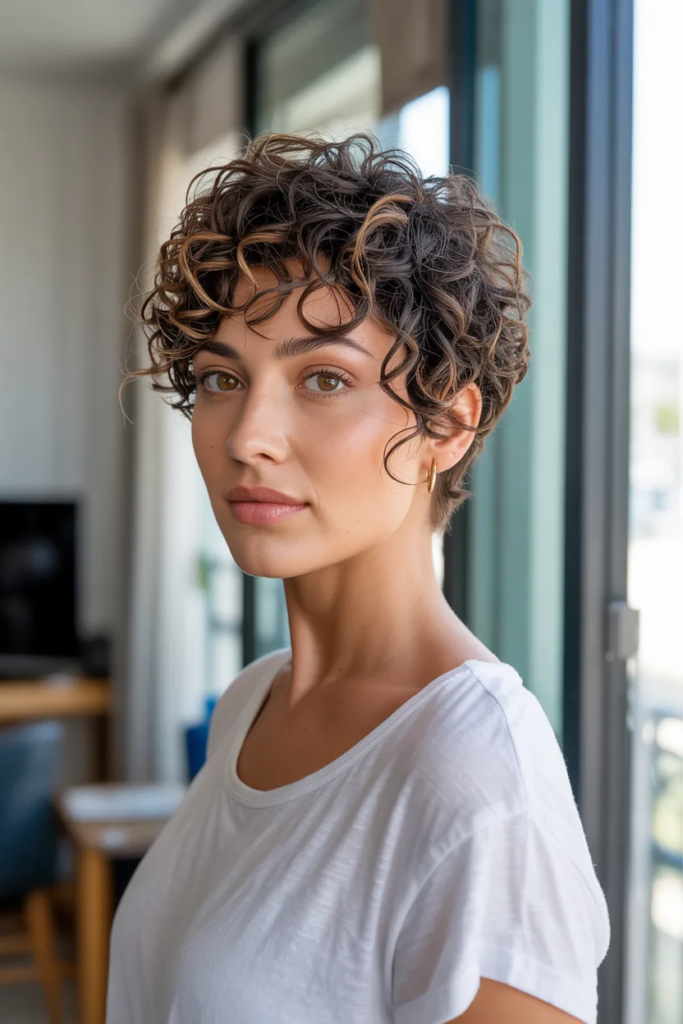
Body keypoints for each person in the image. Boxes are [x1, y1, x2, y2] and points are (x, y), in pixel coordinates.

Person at [107, 133, 610, 1024]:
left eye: (324, 379)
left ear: (447, 425)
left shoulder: (479, 782)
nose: (247, 436)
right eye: (223, 376)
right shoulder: (252, 704)